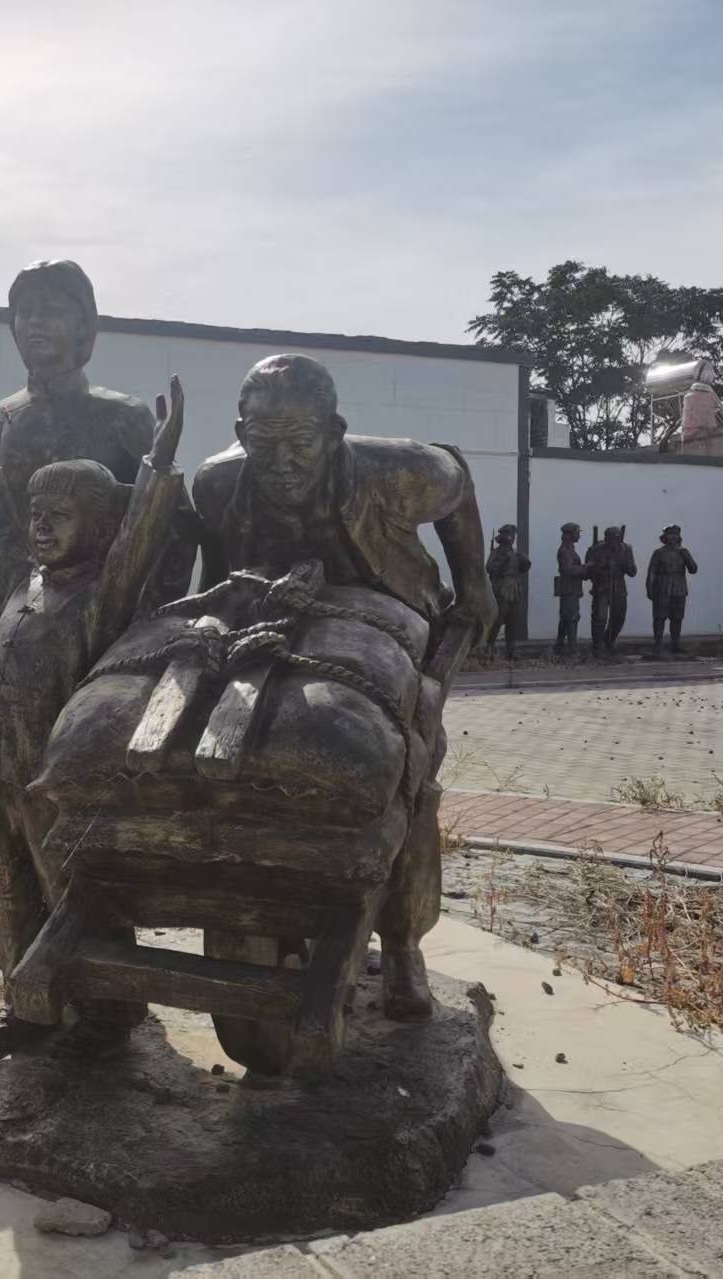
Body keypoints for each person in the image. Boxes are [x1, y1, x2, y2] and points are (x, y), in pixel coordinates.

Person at [0, 259, 196, 972]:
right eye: (25, 309)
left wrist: (141, 634)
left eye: (53, 308)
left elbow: (169, 529)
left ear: (85, 326)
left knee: (76, 798)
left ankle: (93, 944)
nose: (36, 321)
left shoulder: (122, 416)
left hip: (100, 636)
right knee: (4, 791)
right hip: (20, 623)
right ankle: (17, 926)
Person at [192, 353, 494, 1021]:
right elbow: (218, 573)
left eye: (301, 443)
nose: (282, 463)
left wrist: (474, 581)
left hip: (388, 625)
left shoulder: (402, 473)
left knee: (405, 773)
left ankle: (404, 944)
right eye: (263, 443)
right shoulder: (217, 485)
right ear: (241, 434)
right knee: (259, 765)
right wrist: (213, 621)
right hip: (278, 620)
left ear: (334, 432)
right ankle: (286, 912)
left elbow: (459, 477)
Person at [0, 377, 190, 1058]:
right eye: (36, 512)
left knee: (75, 890)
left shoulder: (104, 590)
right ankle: (30, 1007)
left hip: (60, 780)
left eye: (60, 514)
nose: (41, 525)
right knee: (8, 889)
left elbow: (141, 537)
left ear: (98, 524)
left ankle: (108, 1010)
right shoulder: (19, 579)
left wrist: (158, 463)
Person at [646, 524, 698, 656]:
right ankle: (658, 644)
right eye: (670, 535)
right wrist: (649, 588)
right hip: (662, 586)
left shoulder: (683, 552)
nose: (673, 538)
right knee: (660, 617)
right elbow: (651, 572)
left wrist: (686, 555)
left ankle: (676, 643)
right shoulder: (659, 553)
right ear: (665, 537)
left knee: (677, 617)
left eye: (676, 535)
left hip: (679, 586)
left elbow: (693, 569)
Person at [585, 526, 635, 658]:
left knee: (619, 617)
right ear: (606, 538)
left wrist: (623, 564)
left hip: (619, 587)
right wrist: (602, 567)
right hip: (602, 586)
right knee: (599, 618)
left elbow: (633, 572)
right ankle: (597, 646)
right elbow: (587, 572)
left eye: (617, 539)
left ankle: (609, 641)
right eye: (612, 539)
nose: (615, 542)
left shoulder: (626, 549)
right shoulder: (595, 550)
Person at [484, 523, 531, 660]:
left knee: (513, 620)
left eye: (513, 536)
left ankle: (511, 650)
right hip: (501, 587)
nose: (513, 538)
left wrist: (525, 561)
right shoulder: (497, 552)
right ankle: (489, 647)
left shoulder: (516, 553)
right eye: (511, 535)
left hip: (514, 588)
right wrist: (501, 563)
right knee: (498, 619)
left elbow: (523, 568)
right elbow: (489, 568)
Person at [553, 522, 587, 657]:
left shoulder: (569, 549)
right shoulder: (565, 551)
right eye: (577, 533)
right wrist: (586, 567)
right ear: (570, 534)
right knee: (572, 617)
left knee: (566, 618)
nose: (578, 535)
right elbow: (569, 570)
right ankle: (572, 649)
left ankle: (559, 646)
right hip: (569, 588)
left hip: (572, 587)